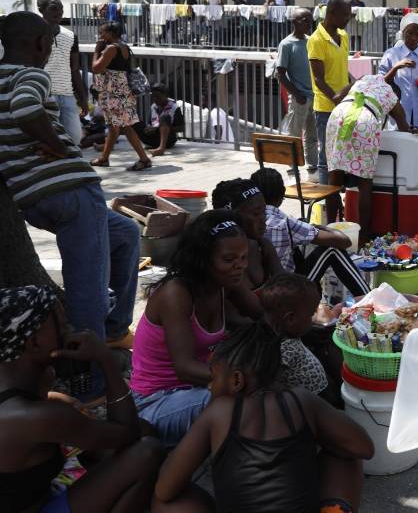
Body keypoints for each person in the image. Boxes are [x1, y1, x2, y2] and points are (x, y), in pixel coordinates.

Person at [0, 12, 141, 400]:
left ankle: (114, 331)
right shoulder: (31, 75)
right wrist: (59, 147)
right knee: (87, 290)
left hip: (35, 198)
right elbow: (26, 109)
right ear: (41, 44)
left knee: (126, 234)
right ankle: (92, 386)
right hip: (73, 192)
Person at [152, 321, 373, 513]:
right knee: (345, 452)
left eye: (214, 377)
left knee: (163, 501)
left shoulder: (218, 412)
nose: (210, 386)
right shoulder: (302, 400)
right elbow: (364, 447)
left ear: (237, 380)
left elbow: (165, 489)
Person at [0, 286, 165, 513]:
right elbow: (129, 432)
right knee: (147, 452)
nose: (71, 332)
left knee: (141, 431)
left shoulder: (23, 392)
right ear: (35, 343)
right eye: (64, 326)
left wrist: (54, 396)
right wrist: (104, 358)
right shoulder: (36, 416)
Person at [130, 211, 256, 447]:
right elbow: (185, 368)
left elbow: (260, 318)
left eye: (243, 257)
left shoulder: (225, 282)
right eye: (229, 259)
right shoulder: (175, 294)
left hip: (197, 388)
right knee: (239, 404)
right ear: (203, 259)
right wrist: (243, 378)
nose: (240, 265)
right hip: (154, 401)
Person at [249, 168, 372, 300]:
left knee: (298, 247)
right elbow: (344, 241)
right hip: (284, 294)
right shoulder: (284, 222)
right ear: (282, 195)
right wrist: (317, 226)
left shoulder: (243, 219)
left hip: (262, 291)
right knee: (332, 250)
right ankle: (369, 298)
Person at [325, 64, 413, 242]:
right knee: (364, 183)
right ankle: (363, 236)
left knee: (334, 179)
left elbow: (336, 98)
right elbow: (404, 128)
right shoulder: (391, 95)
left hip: (338, 115)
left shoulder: (365, 79)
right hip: (365, 121)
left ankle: (330, 232)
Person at [90, 22, 152, 171]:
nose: (100, 36)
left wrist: (97, 51)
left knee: (125, 125)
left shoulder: (111, 48)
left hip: (114, 91)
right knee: (114, 126)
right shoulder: (124, 46)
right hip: (122, 89)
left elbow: (96, 68)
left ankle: (144, 159)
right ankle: (104, 158)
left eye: (102, 33)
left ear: (111, 33)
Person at [308, 0, 356, 184]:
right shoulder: (316, 39)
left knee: (344, 153)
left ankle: (338, 191)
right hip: (326, 108)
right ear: (332, 14)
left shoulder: (343, 36)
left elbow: (342, 67)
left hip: (345, 105)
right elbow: (318, 79)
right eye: (345, 15)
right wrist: (336, 97)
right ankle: (326, 196)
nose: (348, 19)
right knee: (326, 157)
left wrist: (354, 82)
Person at [258, 274, 328, 394]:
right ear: (290, 319)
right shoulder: (283, 348)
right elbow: (271, 383)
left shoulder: (289, 333)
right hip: (310, 400)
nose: (313, 319)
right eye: (311, 314)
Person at [211, 179, 283, 291]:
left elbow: (285, 285)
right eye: (256, 214)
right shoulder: (216, 255)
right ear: (231, 216)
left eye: (264, 212)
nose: (264, 219)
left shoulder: (263, 246)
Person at [37, 0, 86, 146]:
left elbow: (74, 69)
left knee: (75, 137)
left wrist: (83, 98)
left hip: (67, 94)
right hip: (44, 94)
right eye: (53, 8)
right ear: (41, 10)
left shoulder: (71, 36)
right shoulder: (34, 34)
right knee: (49, 140)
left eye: (61, 8)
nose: (58, 12)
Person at [383, 12, 418, 134]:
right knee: (402, 145)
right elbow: (381, 81)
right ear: (403, 32)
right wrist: (396, 67)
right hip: (400, 115)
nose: (414, 37)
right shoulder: (391, 54)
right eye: (410, 33)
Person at [277, 7, 319, 173]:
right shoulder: (286, 44)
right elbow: (280, 74)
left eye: (310, 21)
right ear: (294, 22)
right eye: (305, 20)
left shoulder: (311, 41)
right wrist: (297, 94)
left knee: (312, 136)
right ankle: (292, 169)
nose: (309, 24)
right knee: (294, 136)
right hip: (298, 98)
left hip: (314, 96)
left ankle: (312, 168)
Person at [132, 83, 183, 155]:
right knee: (134, 121)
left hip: (168, 140)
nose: (155, 99)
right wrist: (149, 128)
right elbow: (150, 123)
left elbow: (181, 128)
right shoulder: (153, 106)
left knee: (165, 116)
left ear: (165, 95)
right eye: (153, 97)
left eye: (158, 97)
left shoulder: (174, 107)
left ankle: (161, 148)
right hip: (152, 139)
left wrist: (160, 128)